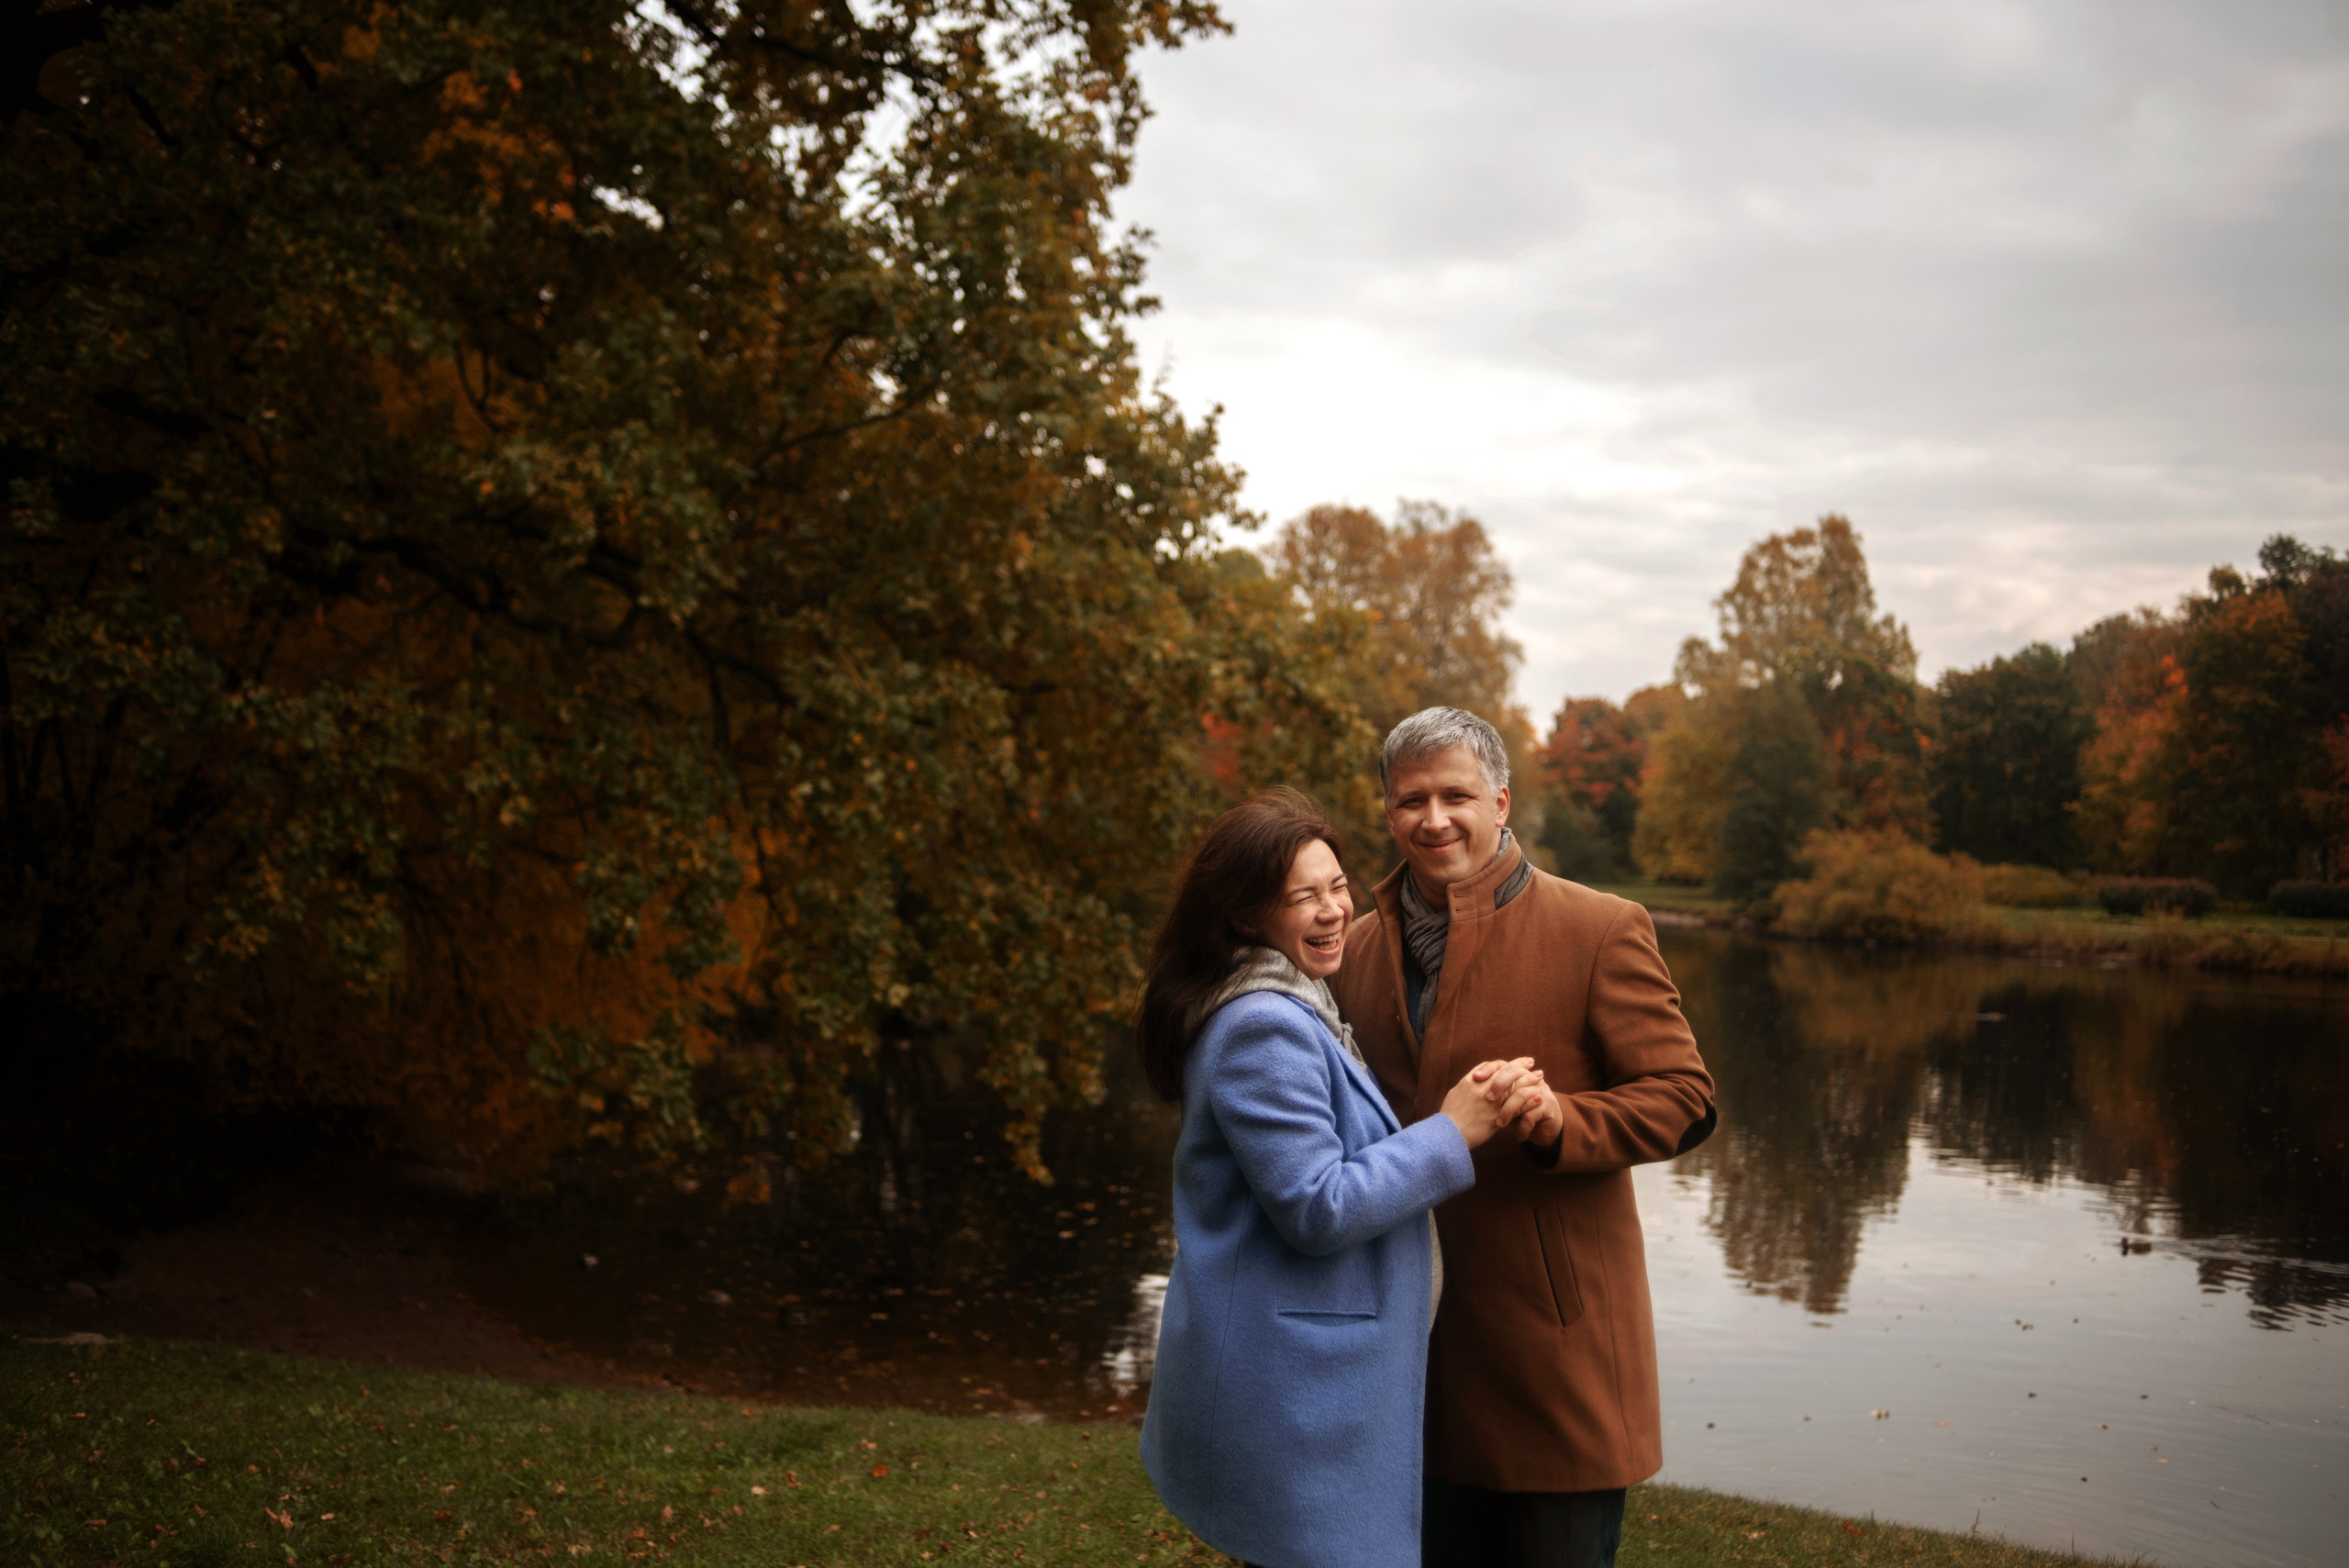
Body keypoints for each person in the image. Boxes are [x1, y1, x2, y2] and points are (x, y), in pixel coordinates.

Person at [1328, 707, 1719, 1568]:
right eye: (1411, 800)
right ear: (1388, 814)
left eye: (1456, 795)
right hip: (1406, 1360)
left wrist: (1563, 1121)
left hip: (1554, 1357)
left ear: (1501, 801)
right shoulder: (1351, 949)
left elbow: (1684, 1097)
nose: (1434, 819)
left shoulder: (1599, 928)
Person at [1138, 787, 1553, 1568]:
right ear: (1244, 917)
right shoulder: (1261, 1025)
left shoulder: (1298, 997)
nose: (1333, 911)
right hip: (1296, 1387)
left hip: (1311, 1373)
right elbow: (1317, 1205)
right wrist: (1452, 1131)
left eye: (1337, 886)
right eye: (1304, 897)